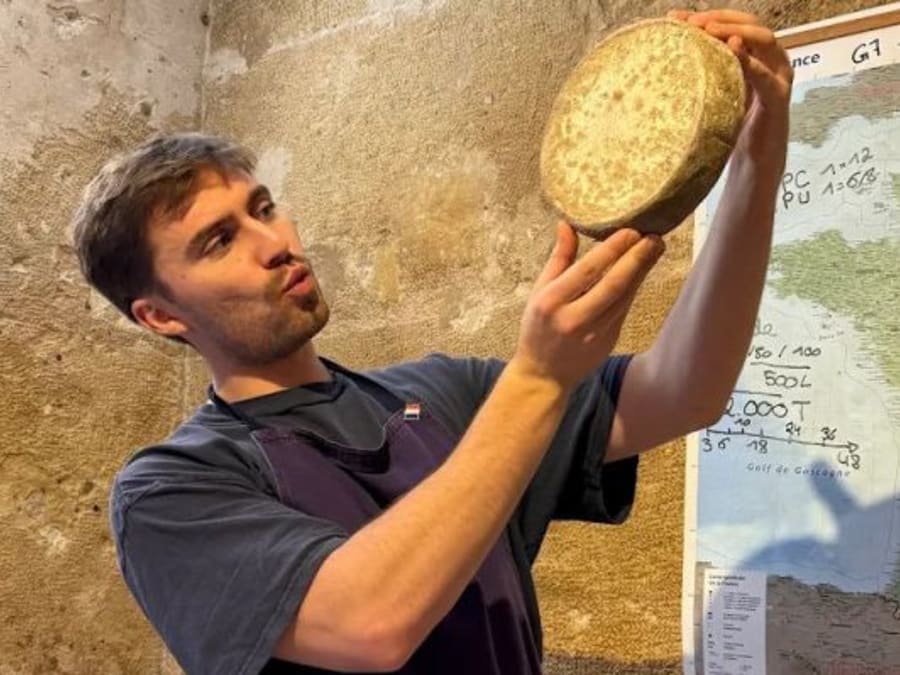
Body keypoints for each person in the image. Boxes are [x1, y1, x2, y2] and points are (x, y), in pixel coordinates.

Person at [72, 9, 792, 674]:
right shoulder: (171, 489)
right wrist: (539, 379)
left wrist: (759, 156)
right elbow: (368, 622)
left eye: (263, 207)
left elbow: (686, 390)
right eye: (219, 239)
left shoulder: (440, 393)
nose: (275, 243)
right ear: (160, 315)